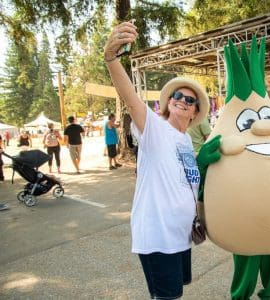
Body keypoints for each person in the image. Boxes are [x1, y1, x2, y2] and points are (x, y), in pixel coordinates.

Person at [104, 21, 210, 299]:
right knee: (167, 297)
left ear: (194, 112)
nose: (182, 101)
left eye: (189, 100)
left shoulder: (186, 140)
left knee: (176, 293)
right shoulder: (154, 128)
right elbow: (130, 99)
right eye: (178, 96)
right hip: (158, 237)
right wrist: (111, 59)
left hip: (181, 235)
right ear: (169, 101)